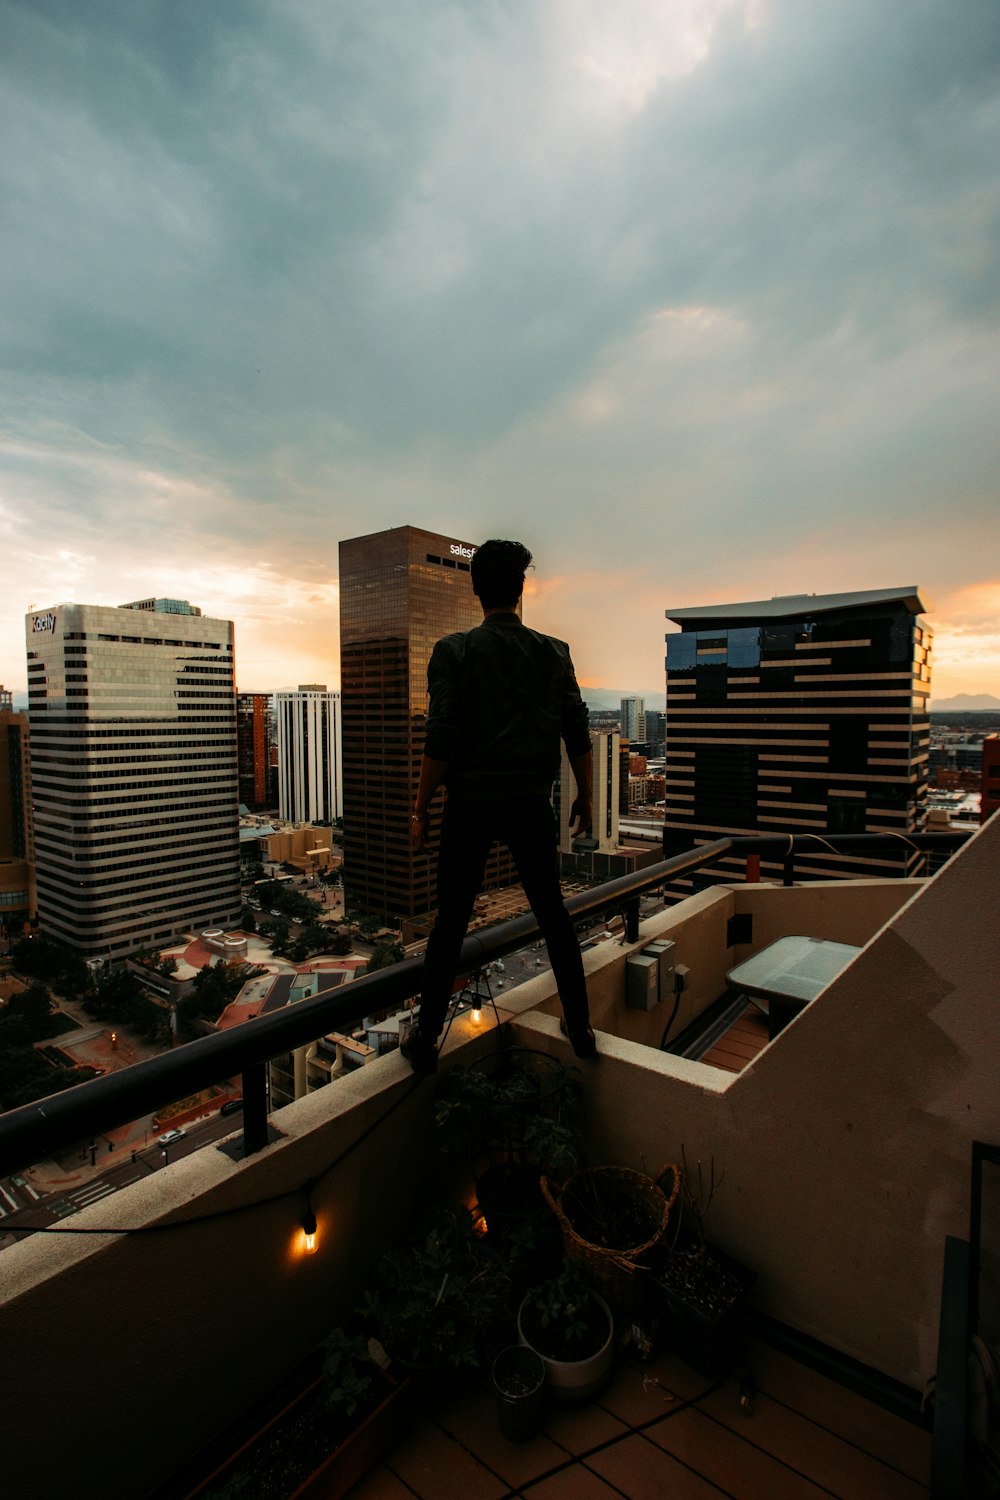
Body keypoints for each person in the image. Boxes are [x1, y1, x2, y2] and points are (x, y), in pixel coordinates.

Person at [400, 538, 597, 1075]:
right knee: (553, 914)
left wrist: (419, 810)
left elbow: (439, 739)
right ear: (521, 587)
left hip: (470, 804)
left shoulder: (454, 651)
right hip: (531, 801)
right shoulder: (554, 652)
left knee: (450, 924)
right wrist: (586, 791)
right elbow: (576, 731)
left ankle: (424, 1040)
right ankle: (579, 1025)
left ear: (476, 588)